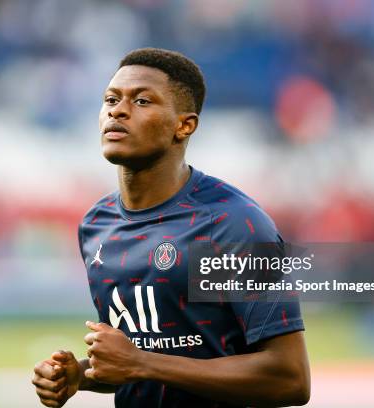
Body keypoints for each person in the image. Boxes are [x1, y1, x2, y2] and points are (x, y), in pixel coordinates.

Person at [32, 48, 310, 408]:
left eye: (142, 100)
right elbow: (140, 359)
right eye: (110, 99)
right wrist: (82, 376)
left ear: (184, 125)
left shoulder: (234, 224)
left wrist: (139, 363)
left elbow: (290, 378)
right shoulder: (97, 225)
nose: (117, 110)